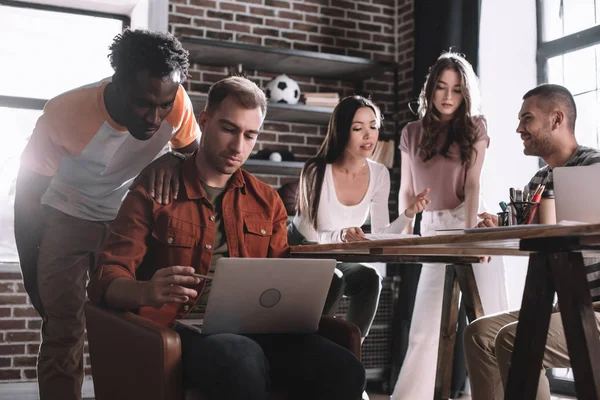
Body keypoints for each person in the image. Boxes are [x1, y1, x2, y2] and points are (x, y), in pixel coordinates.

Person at [87, 76, 366, 400]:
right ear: (204, 121)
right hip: (178, 329)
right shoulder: (155, 189)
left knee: (346, 369)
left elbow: (280, 277)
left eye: (250, 135)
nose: (238, 147)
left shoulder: (266, 200)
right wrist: (146, 291)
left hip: (259, 329)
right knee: (239, 358)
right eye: (229, 129)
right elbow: (106, 278)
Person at [14, 29, 200, 400]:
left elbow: (195, 157)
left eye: (164, 105)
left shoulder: (175, 101)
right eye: (144, 103)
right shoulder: (64, 113)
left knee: (136, 324)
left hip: (128, 217)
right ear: (118, 83)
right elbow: (26, 201)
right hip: (66, 213)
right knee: (64, 327)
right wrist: (33, 276)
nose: (155, 117)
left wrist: (173, 157)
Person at [465, 83, 600, 400]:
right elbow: (523, 231)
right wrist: (499, 225)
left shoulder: (595, 169)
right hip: (564, 303)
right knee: (478, 334)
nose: (518, 129)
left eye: (527, 119)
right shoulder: (540, 180)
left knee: (515, 340)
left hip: (593, 307)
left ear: (556, 119)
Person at [391, 52, 508, 399]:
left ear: (465, 94)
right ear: (430, 90)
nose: (447, 96)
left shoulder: (476, 127)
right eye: (441, 87)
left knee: (489, 320)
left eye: (456, 90)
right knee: (427, 327)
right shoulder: (411, 132)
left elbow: (473, 185)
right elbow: (407, 190)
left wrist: (471, 238)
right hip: (432, 228)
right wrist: (403, 232)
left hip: (470, 221)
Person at [290, 96, 430, 340]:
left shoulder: (379, 174)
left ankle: (351, 349)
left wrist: (409, 214)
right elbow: (320, 235)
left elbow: (380, 235)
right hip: (302, 249)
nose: (369, 135)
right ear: (343, 131)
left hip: (337, 254)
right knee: (333, 280)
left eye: (373, 126)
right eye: (358, 128)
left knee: (370, 278)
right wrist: (344, 234)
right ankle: (313, 346)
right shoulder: (317, 171)